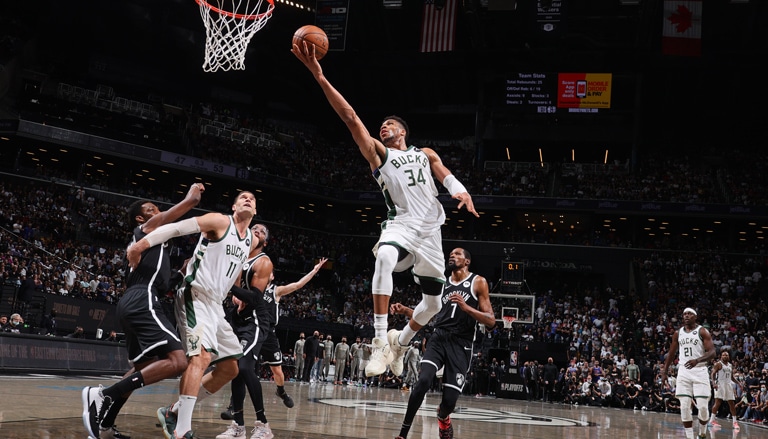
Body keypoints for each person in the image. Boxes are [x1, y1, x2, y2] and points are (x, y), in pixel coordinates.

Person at [292, 42, 479, 379]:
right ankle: (380, 340)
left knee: (434, 304)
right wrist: (320, 76)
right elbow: (350, 118)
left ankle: (400, 341)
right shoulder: (380, 155)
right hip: (401, 223)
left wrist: (461, 192)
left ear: (403, 131)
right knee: (385, 258)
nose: (384, 127)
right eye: (382, 126)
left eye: (390, 124)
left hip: (431, 230)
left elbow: (445, 175)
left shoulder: (425, 152)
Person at [126, 190, 257, 439]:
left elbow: (235, 269)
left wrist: (236, 293)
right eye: (242, 197)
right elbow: (176, 229)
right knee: (201, 358)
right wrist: (140, 245)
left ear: (256, 210)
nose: (248, 199)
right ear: (233, 205)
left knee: (230, 369)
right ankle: (181, 430)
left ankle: (174, 411)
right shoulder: (219, 221)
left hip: (216, 305)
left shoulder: (249, 239)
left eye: (252, 198)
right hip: (194, 296)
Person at [81, 182, 204, 439]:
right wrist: (191, 198)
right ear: (141, 218)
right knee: (178, 361)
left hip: (135, 300)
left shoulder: (157, 247)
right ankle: (102, 394)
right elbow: (172, 215)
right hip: (142, 300)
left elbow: (163, 283)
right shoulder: (144, 230)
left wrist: (181, 271)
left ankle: (105, 425)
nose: (156, 210)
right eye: (151, 209)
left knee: (140, 370)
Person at [216, 223, 326, 439]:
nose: (256, 231)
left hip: (262, 326)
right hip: (241, 321)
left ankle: (267, 416)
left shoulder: (268, 275)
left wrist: (313, 271)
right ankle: (238, 425)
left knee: (256, 369)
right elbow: (236, 289)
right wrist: (235, 296)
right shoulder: (240, 258)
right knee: (238, 370)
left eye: (261, 232)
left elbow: (295, 285)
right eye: (254, 229)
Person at [391, 248, 495, 439]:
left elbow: (490, 320)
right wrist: (407, 311)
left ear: (467, 261)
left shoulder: (478, 282)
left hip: (461, 344)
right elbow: (430, 314)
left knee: (449, 402)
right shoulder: (442, 283)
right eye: (451, 254)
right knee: (423, 381)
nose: (452, 256)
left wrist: (466, 307)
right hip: (439, 337)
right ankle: (403, 434)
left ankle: (443, 416)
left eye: (457, 254)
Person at [661, 308, 716, 439]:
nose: (686, 316)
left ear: (695, 317)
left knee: (703, 408)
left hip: (700, 370)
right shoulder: (677, 333)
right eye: (684, 314)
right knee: (684, 406)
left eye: (689, 314)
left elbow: (713, 352)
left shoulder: (702, 331)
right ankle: (690, 437)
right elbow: (671, 353)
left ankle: (702, 433)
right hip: (684, 371)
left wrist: (697, 360)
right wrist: (664, 371)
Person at [709, 350, 741, 430]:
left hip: (728, 384)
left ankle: (734, 422)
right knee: (718, 403)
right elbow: (712, 374)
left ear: (729, 357)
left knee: (732, 403)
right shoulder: (718, 364)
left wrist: (739, 383)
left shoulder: (730, 365)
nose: (725, 356)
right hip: (720, 384)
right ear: (721, 356)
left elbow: (732, 377)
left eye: (726, 355)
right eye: (723, 355)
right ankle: (712, 420)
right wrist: (713, 383)